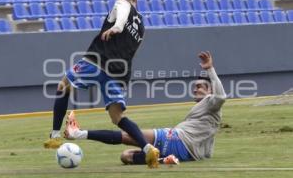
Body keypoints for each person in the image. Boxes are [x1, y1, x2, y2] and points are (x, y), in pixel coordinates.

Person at [43, 0, 160, 168]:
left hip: (97, 61)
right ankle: (147, 149)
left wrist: (117, 27)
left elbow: (121, 15)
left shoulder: (122, 3)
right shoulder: (142, 26)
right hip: (118, 73)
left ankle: (55, 136)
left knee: (62, 87)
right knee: (117, 118)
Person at [64, 51, 227, 165]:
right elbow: (207, 145)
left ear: (210, 91)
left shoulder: (212, 102)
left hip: (177, 139)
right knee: (125, 156)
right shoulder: (210, 111)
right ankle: (166, 160)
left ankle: (78, 133)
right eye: (195, 86)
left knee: (127, 136)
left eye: (200, 87)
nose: (195, 89)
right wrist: (202, 154)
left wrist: (210, 69)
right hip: (185, 153)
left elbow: (221, 96)